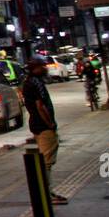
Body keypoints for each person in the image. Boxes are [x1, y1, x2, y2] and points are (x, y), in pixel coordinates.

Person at [22, 59, 67, 205]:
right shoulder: (35, 83)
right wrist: (50, 123)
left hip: (36, 124)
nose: (45, 68)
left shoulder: (29, 82)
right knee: (46, 163)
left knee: (45, 161)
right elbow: (40, 106)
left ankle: (47, 192)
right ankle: (46, 194)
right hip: (42, 125)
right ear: (35, 69)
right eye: (42, 66)